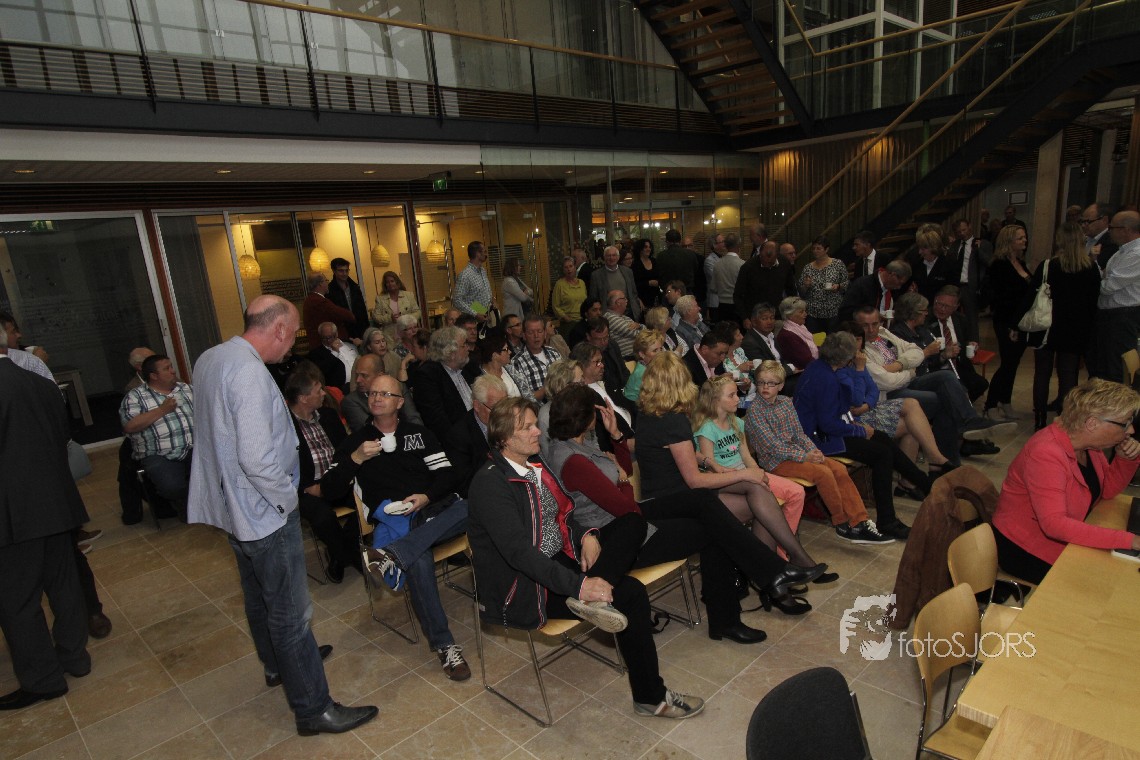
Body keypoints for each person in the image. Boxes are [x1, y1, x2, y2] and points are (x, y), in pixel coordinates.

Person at [188, 295, 377, 736]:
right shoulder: (250, 373)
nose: (293, 344)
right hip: (263, 512)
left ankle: (279, 663)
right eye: (292, 335)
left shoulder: (211, 357)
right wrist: (287, 500)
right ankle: (314, 709)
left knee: (258, 595)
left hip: (233, 507)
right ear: (277, 329)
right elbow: (257, 459)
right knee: (291, 613)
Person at [468, 396, 707, 719]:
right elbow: (519, 554)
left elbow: (563, 515)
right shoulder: (489, 484)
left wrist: (586, 535)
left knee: (632, 522)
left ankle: (598, 598)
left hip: (561, 560)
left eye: (535, 424)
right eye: (527, 428)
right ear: (504, 439)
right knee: (631, 593)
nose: (538, 431)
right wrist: (579, 586)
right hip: (529, 586)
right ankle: (651, 697)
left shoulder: (535, 465)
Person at [547, 384, 807, 643]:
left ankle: (770, 573)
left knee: (702, 500)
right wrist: (623, 479)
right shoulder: (574, 460)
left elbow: (623, 472)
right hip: (619, 536)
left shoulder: (578, 443)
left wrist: (616, 437)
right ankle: (737, 609)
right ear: (587, 418)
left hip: (625, 518)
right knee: (712, 530)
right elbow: (625, 503)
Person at [322, 373, 473, 682]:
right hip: (398, 520)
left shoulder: (420, 434)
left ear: (400, 402)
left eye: (385, 394)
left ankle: (396, 553)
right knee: (418, 559)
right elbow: (330, 489)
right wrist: (355, 458)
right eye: (372, 393)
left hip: (432, 512)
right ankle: (445, 646)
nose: (377, 398)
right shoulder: (356, 443)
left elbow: (448, 475)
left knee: (473, 505)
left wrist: (426, 496)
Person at [0, 330, 91, 712]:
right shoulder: (40, 382)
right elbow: (60, 439)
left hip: (12, 512)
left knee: (17, 600)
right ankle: (75, 657)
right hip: (55, 500)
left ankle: (42, 680)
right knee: (63, 584)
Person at [991, 379, 1140, 585]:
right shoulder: (1046, 453)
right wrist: (1130, 540)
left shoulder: (1089, 446)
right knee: (1109, 581)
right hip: (1026, 547)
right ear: (1092, 424)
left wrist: (1125, 459)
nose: (1131, 430)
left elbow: (1106, 491)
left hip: (1060, 536)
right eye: (1125, 424)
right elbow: (1054, 525)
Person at [793, 331, 929, 540]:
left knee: (882, 438)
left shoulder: (823, 368)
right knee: (881, 454)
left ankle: (926, 484)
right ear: (846, 358)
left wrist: (856, 424)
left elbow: (849, 403)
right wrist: (859, 430)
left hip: (826, 430)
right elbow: (828, 424)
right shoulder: (826, 378)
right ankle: (887, 520)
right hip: (818, 439)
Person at [691, 376, 819, 588]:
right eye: (732, 395)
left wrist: (757, 472)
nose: (738, 399)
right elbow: (712, 468)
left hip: (743, 476)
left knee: (772, 494)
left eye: (736, 394)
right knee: (761, 495)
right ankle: (782, 565)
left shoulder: (736, 422)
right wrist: (750, 476)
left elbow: (746, 456)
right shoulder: (706, 429)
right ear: (715, 400)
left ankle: (776, 571)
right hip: (724, 481)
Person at [745, 361, 892, 545]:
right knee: (823, 473)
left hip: (799, 455)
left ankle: (859, 521)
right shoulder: (755, 411)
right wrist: (805, 456)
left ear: (781, 386)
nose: (765, 387)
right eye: (761, 382)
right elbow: (772, 447)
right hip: (775, 462)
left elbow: (799, 434)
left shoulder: (785, 403)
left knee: (838, 469)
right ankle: (841, 523)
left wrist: (813, 451)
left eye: (771, 383)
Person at [284, 362, 361, 583]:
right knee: (323, 517)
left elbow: (345, 449)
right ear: (303, 398)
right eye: (318, 391)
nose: (324, 394)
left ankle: (340, 552)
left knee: (370, 501)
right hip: (308, 488)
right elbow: (283, 466)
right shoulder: (284, 426)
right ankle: (349, 555)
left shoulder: (327, 415)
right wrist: (307, 487)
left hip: (338, 479)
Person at [1028, 223, 1101, 429]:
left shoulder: (1049, 265)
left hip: (1047, 325)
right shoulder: (1090, 268)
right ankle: (1065, 418)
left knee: (1042, 373)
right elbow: (1093, 301)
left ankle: (1039, 418)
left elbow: (1032, 295)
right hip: (1075, 328)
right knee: (1068, 374)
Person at [119, 353, 194, 518]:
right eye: (167, 369)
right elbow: (129, 426)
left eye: (172, 366)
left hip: (196, 447)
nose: (173, 371)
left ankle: (204, 505)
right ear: (154, 376)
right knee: (172, 487)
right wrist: (162, 410)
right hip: (160, 452)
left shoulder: (186, 389)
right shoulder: (135, 396)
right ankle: (186, 504)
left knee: (225, 472)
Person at [984, 224, 1032, 417]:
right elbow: (1001, 297)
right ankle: (991, 404)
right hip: (1006, 321)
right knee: (1007, 363)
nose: (1024, 240)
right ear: (1008, 241)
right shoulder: (999, 265)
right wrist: (1012, 325)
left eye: (1024, 237)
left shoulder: (1020, 262)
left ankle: (1005, 401)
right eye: (1020, 238)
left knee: (1013, 363)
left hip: (1021, 321)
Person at [1093, 210, 1140, 381]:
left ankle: (1117, 399)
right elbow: (1104, 276)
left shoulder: (1136, 254)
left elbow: (1108, 286)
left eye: (1112, 227)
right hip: (1110, 315)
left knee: (1117, 369)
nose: (1109, 231)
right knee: (1102, 366)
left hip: (1123, 316)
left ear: (1126, 230)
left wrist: (1102, 280)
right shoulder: (1121, 252)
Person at [409, 325, 473, 441]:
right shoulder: (427, 375)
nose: (468, 348)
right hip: (457, 441)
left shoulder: (467, 367)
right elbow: (438, 422)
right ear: (451, 352)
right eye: (464, 345)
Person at [448, 375, 508, 497]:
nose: (502, 413)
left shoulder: (512, 421)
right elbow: (465, 484)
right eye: (495, 408)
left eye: (505, 406)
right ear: (476, 405)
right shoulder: (459, 436)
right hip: (487, 493)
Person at [947, 219, 992, 344]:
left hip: (970, 286)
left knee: (972, 318)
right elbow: (950, 263)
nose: (962, 233)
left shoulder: (982, 243)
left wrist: (978, 249)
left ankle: (973, 344)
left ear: (969, 227)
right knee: (952, 315)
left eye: (964, 230)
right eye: (959, 232)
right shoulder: (955, 245)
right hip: (955, 285)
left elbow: (989, 262)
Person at [734, 237, 794, 324]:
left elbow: (791, 289)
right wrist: (744, 318)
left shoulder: (784, 263)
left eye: (770, 262)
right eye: (763, 260)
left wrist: (791, 311)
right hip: (755, 317)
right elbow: (738, 295)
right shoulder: (748, 267)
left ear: (777, 256)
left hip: (777, 315)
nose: (766, 264)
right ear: (760, 254)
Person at [796, 235, 848, 332]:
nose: (815, 251)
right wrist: (806, 286)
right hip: (813, 313)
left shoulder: (838, 264)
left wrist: (838, 286)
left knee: (833, 338)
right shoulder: (808, 268)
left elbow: (847, 284)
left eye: (818, 248)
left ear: (826, 249)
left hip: (833, 312)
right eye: (813, 248)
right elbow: (801, 292)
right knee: (815, 339)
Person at [509, 313, 563, 403]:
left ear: (545, 333)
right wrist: (548, 387)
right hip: (538, 409)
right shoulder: (517, 362)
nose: (536, 336)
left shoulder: (554, 353)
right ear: (524, 335)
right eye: (531, 332)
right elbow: (524, 399)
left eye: (540, 331)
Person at [302, 274, 357, 350]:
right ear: (320, 284)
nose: (328, 283)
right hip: (326, 345)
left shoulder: (310, 299)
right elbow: (347, 315)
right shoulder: (319, 301)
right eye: (326, 280)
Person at [587, 244, 641, 321]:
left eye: (614, 255)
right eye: (608, 256)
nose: (611, 258)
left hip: (629, 313)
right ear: (604, 257)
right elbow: (593, 297)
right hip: (608, 316)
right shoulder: (596, 275)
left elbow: (634, 293)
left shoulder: (628, 271)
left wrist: (637, 308)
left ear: (618, 257)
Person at [905, 228, 953, 304]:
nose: (919, 252)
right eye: (919, 248)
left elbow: (951, 291)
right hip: (919, 305)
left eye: (923, 249)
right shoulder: (916, 262)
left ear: (933, 248)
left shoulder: (948, 264)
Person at [326, 258, 368, 341]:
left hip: (359, 328)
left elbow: (362, 309)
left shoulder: (354, 287)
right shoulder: (329, 291)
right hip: (342, 330)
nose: (344, 273)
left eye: (346, 270)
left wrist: (366, 329)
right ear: (334, 271)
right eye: (341, 271)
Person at [452, 241, 495, 322]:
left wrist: (492, 300)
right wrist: (475, 314)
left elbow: (482, 292)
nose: (486, 254)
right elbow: (457, 300)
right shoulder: (465, 275)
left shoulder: (482, 271)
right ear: (478, 253)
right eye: (484, 251)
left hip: (487, 316)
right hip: (473, 320)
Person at [307, 321, 356, 392]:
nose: (328, 341)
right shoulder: (315, 354)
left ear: (336, 334)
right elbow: (323, 372)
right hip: (341, 390)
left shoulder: (349, 344)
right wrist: (334, 352)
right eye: (324, 338)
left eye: (330, 337)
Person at [372, 271, 421, 341]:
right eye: (387, 282)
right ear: (385, 285)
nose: (390, 284)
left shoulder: (408, 295)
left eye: (392, 281)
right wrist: (390, 318)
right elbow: (376, 317)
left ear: (397, 282)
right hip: (389, 335)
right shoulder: (380, 299)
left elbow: (418, 312)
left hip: (408, 333)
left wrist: (405, 318)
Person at [774, 296, 817, 371]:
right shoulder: (788, 336)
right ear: (790, 315)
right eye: (801, 312)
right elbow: (806, 360)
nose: (806, 314)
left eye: (805, 311)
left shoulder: (800, 328)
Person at [475, 333, 522, 398]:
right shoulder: (481, 380)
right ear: (495, 355)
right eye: (506, 349)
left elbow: (525, 391)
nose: (510, 352)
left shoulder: (510, 368)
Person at [624, 328, 664, 403]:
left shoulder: (651, 365)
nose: (660, 354)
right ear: (642, 354)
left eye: (661, 349)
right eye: (655, 350)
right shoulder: (642, 374)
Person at [551, 256, 587, 340]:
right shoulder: (559, 284)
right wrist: (565, 317)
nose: (569, 269)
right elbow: (555, 306)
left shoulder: (582, 283)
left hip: (582, 321)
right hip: (569, 323)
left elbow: (585, 301)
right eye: (566, 267)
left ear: (575, 267)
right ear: (563, 270)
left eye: (571, 266)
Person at [603, 289, 643, 358]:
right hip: (628, 357)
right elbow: (638, 334)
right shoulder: (610, 318)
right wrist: (641, 328)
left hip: (636, 354)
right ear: (618, 302)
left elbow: (644, 331)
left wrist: (639, 325)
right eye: (624, 298)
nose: (627, 300)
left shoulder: (625, 317)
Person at [631, 237, 659, 308]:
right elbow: (634, 284)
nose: (648, 249)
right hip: (642, 298)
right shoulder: (635, 264)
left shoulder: (654, 261)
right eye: (645, 247)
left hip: (656, 297)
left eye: (649, 247)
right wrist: (648, 283)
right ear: (640, 249)